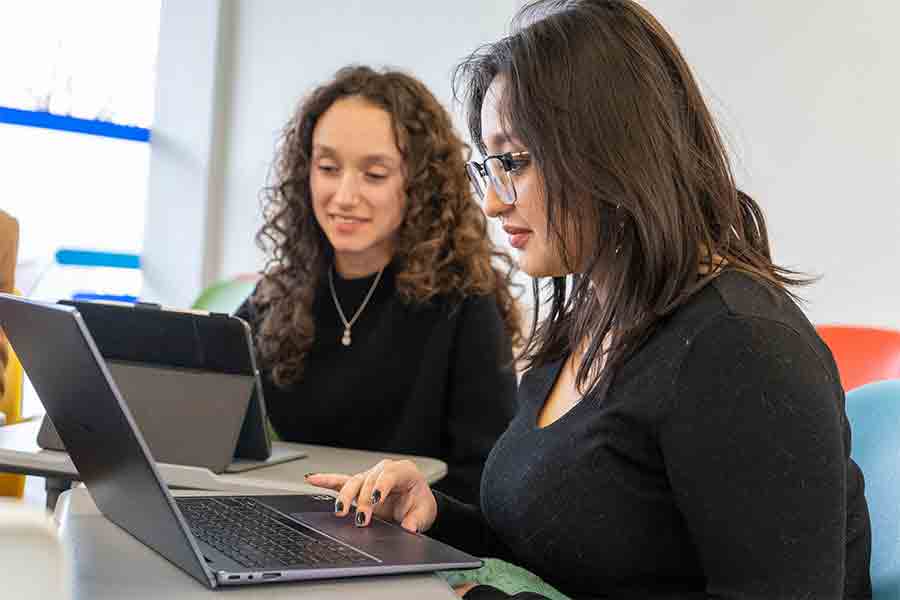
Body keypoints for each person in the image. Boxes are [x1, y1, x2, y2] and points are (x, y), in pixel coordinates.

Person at [307, 2, 872, 598]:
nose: (494, 202)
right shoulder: (596, 314)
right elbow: (566, 553)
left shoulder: (743, 348)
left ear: (613, 154)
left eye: (515, 162)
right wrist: (436, 518)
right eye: (490, 167)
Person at [235, 66, 522, 505]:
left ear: (418, 184)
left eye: (374, 174)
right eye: (328, 167)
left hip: (408, 537)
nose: (344, 195)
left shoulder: (464, 304)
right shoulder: (278, 297)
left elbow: (487, 483)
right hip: (291, 522)